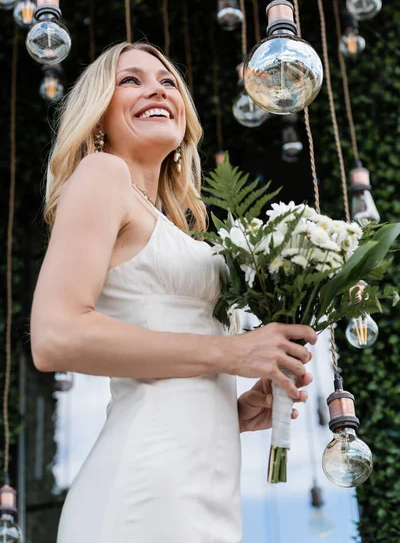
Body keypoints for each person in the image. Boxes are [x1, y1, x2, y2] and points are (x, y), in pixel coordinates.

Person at [30, 41, 317, 543]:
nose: (156, 90)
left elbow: (166, 349)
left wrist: (232, 410)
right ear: (98, 115)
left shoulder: (176, 227)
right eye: (130, 80)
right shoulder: (103, 174)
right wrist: (232, 352)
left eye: (167, 82)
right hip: (147, 481)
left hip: (206, 483)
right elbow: (55, 336)